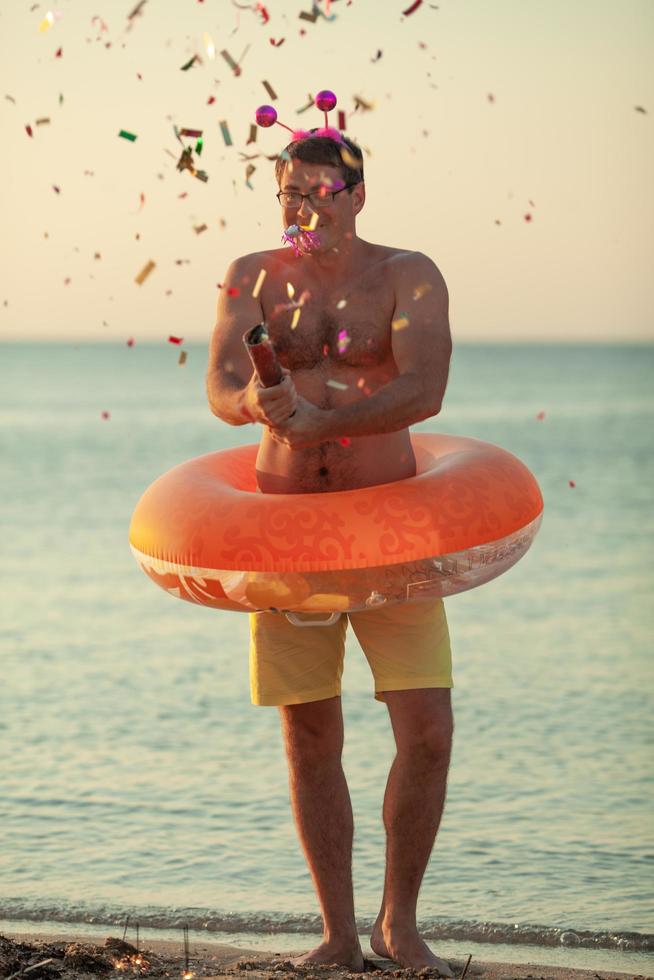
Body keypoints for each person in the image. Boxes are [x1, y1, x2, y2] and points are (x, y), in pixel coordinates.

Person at [206, 130, 455, 976]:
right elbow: (218, 390)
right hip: (286, 531)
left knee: (427, 730)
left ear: (356, 194)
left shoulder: (408, 274)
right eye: (289, 195)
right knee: (310, 736)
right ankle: (339, 937)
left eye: (318, 193)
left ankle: (400, 924)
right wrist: (253, 398)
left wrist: (327, 422)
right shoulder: (252, 276)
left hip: (392, 527)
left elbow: (425, 387)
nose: (302, 209)